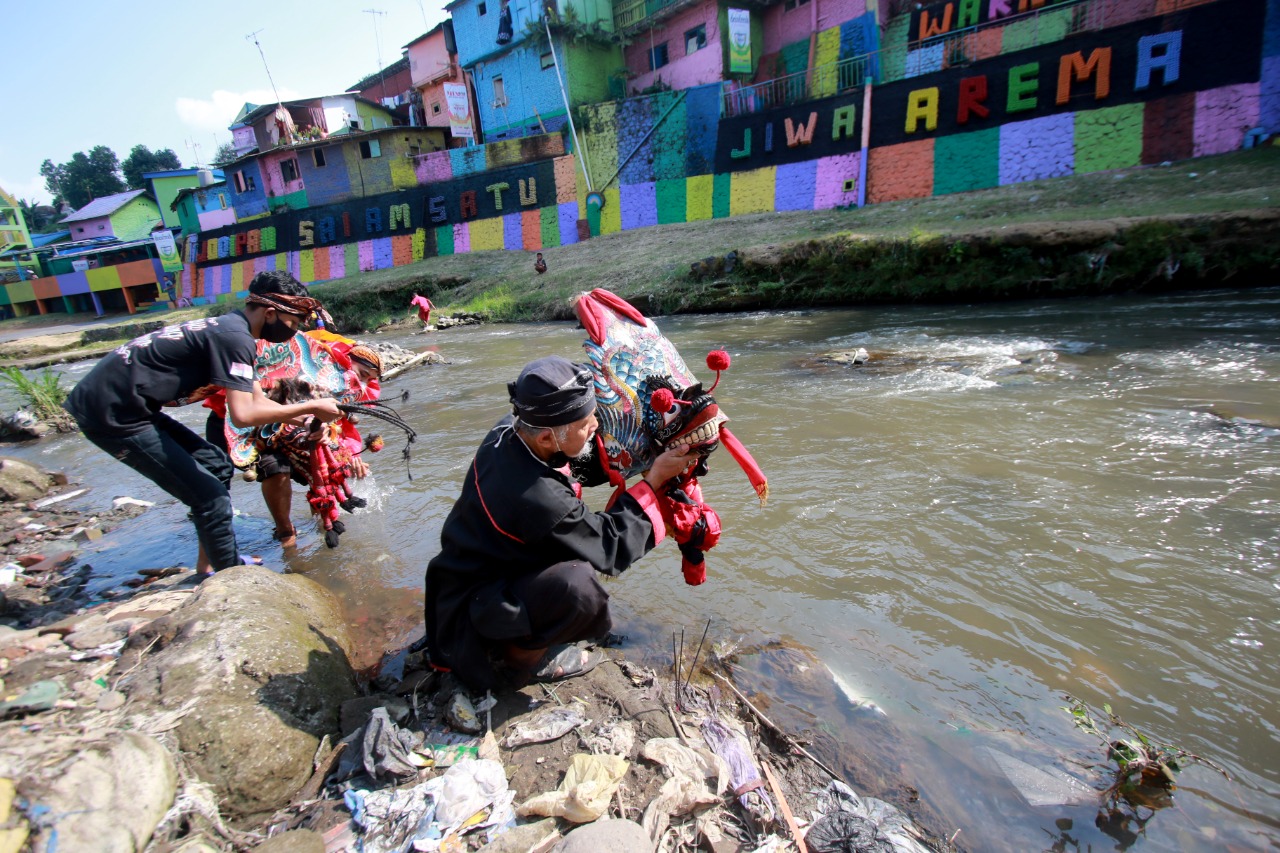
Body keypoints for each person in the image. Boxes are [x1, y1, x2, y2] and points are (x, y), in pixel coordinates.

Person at [423, 355, 694, 690]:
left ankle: (523, 631)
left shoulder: (510, 430)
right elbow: (609, 547)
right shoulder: (536, 495)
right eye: (586, 423)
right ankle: (517, 660)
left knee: (571, 545)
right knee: (578, 587)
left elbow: (577, 459)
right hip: (475, 606)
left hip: (473, 573)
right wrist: (653, 480)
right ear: (548, 439)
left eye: (593, 413)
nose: (595, 424)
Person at [63, 270, 342, 577]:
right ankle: (229, 576)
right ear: (271, 313)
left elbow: (256, 399)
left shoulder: (232, 330)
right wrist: (314, 405)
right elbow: (243, 415)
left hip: (129, 405)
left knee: (216, 468)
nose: (293, 331)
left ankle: (207, 562)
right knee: (209, 496)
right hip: (111, 413)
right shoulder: (236, 339)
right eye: (291, 324)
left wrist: (304, 416)